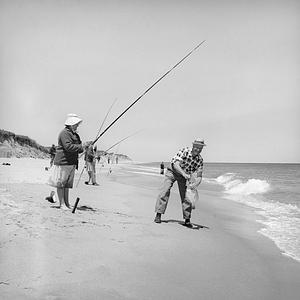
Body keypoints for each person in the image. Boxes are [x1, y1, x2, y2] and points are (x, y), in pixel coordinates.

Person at [154, 139, 206, 227]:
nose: (198, 150)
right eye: (197, 147)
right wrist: (184, 174)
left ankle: (187, 219)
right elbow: (176, 164)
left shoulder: (200, 160)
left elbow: (199, 176)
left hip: (184, 176)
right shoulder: (184, 151)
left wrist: (195, 184)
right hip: (173, 171)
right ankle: (158, 214)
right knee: (165, 191)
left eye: (200, 148)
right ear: (193, 146)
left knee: (186, 196)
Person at [48, 113, 84, 209]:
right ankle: (62, 204)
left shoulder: (75, 135)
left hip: (71, 162)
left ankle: (67, 203)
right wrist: (81, 147)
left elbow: (80, 148)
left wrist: (83, 147)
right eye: (76, 124)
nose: (77, 126)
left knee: (67, 185)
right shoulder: (64, 133)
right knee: (61, 184)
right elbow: (68, 147)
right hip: (63, 162)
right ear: (71, 124)